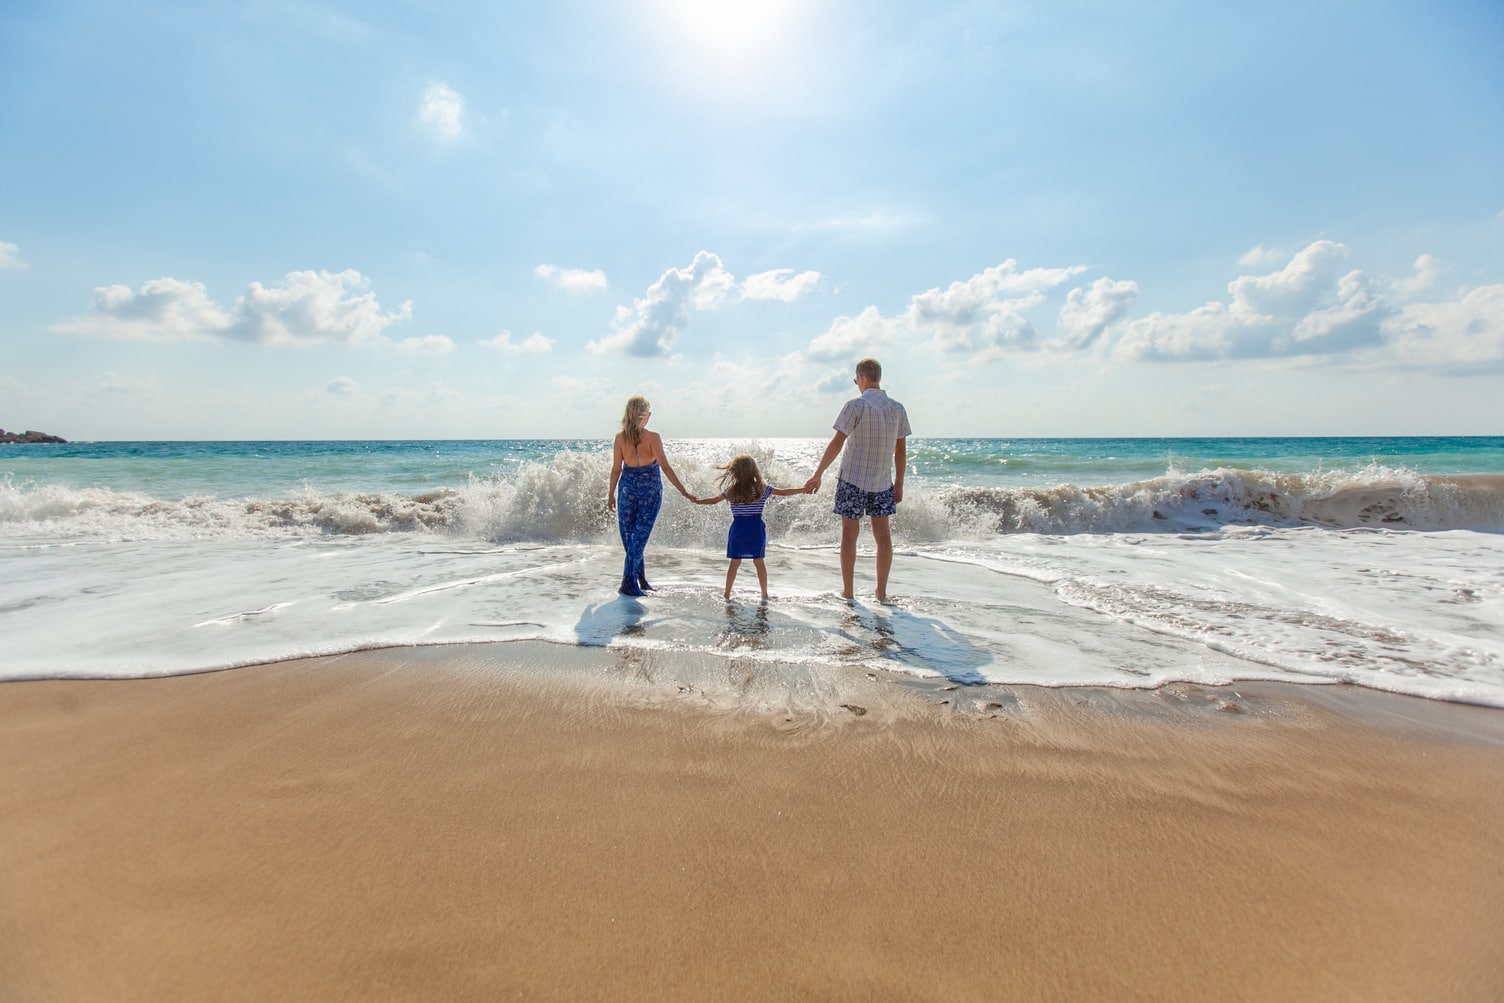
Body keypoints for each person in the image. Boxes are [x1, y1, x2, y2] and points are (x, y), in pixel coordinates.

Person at [803, 358, 911, 602]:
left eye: (856, 380)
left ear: (861, 378)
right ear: (878, 377)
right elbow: (901, 452)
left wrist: (818, 473)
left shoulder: (856, 406)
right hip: (883, 482)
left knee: (849, 535)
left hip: (852, 479)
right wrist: (900, 483)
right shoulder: (897, 408)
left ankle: (849, 592)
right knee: (883, 536)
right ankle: (881, 593)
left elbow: (837, 443)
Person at [607, 396, 691, 596]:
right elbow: (666, 467)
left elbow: (616, 470)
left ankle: (640, 580)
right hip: (650, 491)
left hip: (627, 489)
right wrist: (684, 491)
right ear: (644, 417)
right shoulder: (652, 438)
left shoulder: (620, 438)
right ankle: (628, 583)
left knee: (632, 538)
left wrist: (611, 494)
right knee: (636, 539)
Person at [693, 454, 807, 601]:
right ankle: (764, 594)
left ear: (735, 472)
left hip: (738, 529)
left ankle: (727, 594)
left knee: (735, 562)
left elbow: (714, 501)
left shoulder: (731, 490)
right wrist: (803, 489)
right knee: (759, 562)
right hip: (755, 529)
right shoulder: (762, 489)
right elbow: (784, 492)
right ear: (754, 471)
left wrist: (697, 501)